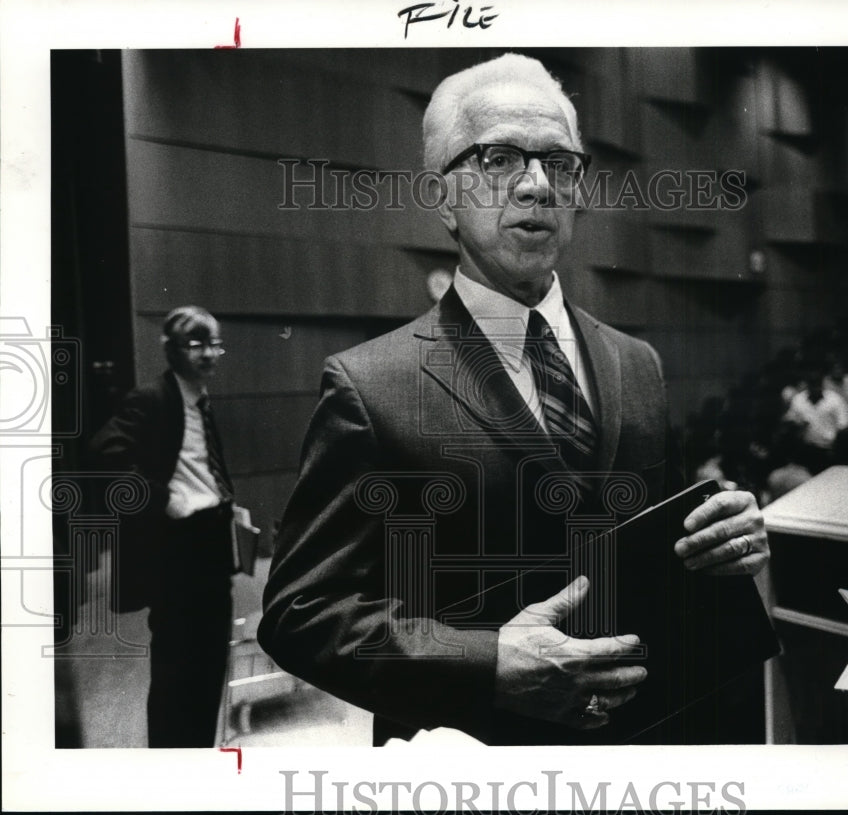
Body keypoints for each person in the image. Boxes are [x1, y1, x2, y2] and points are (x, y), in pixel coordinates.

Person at [258, 54, 770, 746]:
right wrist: (490, 661)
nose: (536, 185)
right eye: (500, 158)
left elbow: (653, 542)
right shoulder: (370, 385)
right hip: (474, 756)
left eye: (560, 163)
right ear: (444, 198)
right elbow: (303, 610)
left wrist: (721, 536)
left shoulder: (635, 362)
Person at [90, 306, 235, 747]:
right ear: (173, 351)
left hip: (211, 543)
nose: (209, 354)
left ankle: (199, 753)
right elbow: (103, 453)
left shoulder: (200, 399)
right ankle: (172, 765)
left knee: (210, 661)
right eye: (197, 345)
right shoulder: (152, 398)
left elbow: (200, 466)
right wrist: (162, 499)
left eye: (214, 344)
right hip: (177, 549)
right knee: (176, 666)